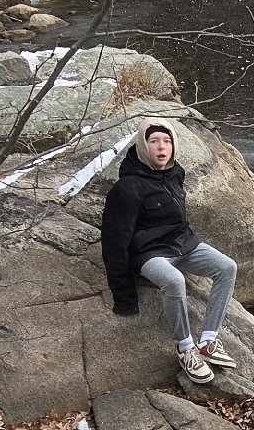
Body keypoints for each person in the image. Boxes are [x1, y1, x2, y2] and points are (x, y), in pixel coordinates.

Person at [100, 121, 238, 385]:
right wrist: (124, 297)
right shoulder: (127, 188)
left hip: (181, 243)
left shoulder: (176, 172)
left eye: (166, 141)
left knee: (227, 267)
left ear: (174, 145)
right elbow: (114, 242)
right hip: (149, 253)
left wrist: (190, 241)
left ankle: (208, 340)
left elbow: (179, 216)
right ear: (143, 146)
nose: (161, 147)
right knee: (175, 280)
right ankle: (185, 348)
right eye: (154, 141)